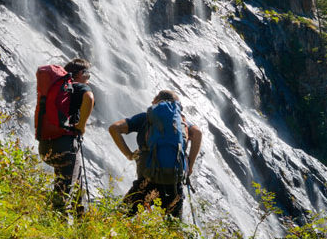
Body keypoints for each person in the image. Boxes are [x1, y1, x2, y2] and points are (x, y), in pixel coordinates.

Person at [108, 89, 203, 217]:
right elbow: (198, 133)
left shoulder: (145, 118)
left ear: (156, 101)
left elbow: (114, 128)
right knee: (173, 230)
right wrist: (190, 166)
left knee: (119, 218)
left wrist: (129, 154)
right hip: (173, 182)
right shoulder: (182, 124)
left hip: (146, 181)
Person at [35, 58, 95, 212]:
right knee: (63, 194)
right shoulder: (77, 86)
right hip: (65, 144)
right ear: (80, 73)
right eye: (87, 74)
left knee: (75, 183)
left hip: (46, 145)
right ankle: (55, 230)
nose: (89, 78)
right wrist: (81, 126)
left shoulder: (60, 90)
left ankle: (80, 223)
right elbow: (89, 98)